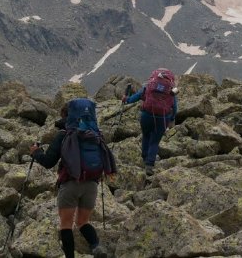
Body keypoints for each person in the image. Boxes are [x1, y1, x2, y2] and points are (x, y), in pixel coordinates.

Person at [30, 101, 112, 258]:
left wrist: (36, 152)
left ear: (66, 116)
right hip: (91, 185)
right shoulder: (95, 133)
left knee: (66, 225)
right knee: (82, 222)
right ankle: (96, 246)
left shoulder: (64, 134)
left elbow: (48, 162)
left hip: (70, 184)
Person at [125, 69, 178, 174]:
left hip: (146, 115)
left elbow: (134, 98)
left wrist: (126, 99)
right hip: (163, 118)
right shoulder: (171, 91)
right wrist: (171, 118)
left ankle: (144, 158)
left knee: (146, 136)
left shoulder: (149, 86)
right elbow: (174, 107)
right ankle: (149, 164)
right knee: (154, 141)